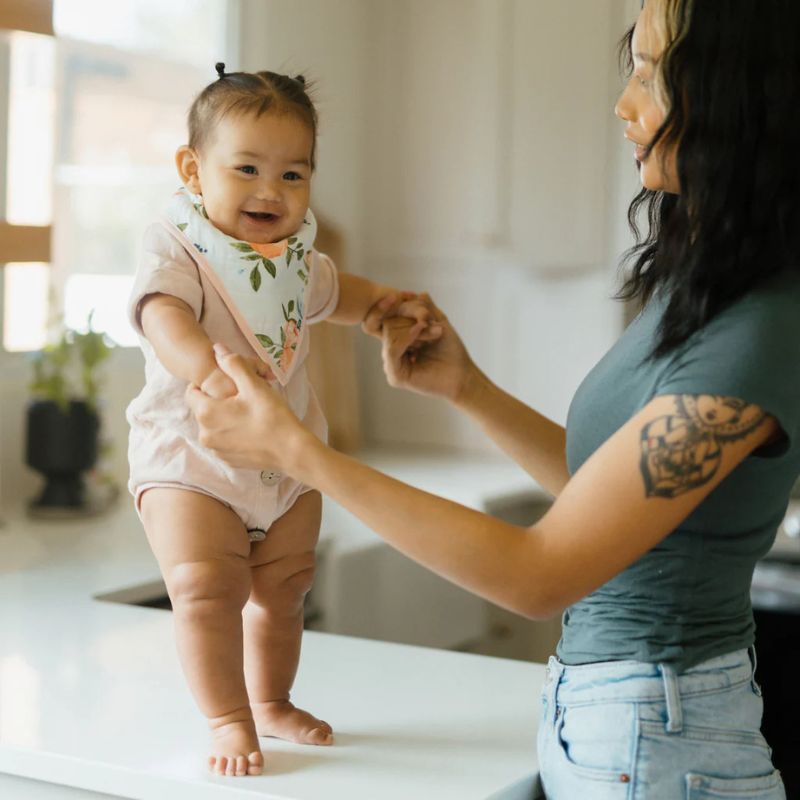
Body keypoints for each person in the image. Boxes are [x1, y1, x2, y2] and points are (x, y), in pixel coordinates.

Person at [186, 1, 800, 797]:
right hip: (624, 723)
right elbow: (600, 496)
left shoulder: (759, 332)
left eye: (652, 74)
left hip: (660, 734)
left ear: (740, 95)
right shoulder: (709, 288)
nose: (624, 103)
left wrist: (298, 453)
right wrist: (466, 389)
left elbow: (537, 576)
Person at [126, 65, 431, 777]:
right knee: (206, 590)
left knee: (286, 590)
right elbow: (161, 315)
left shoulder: (293, 261)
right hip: (193, 460)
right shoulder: (177, 246)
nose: (271, 190)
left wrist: (387, 308)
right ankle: (228, 717)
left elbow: (337, 292)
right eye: (248, 169)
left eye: (293, 175)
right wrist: (207, 369)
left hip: (287, 466)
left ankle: (271, 700)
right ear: (192, 170)